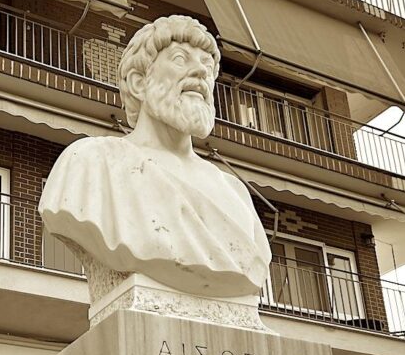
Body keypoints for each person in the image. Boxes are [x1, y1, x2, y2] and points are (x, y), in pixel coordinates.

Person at [39, 15, 271, 301]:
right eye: (179, 59)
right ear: (139, 83)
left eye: (208, 65)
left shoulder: (235, 191)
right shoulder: (91, 163)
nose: (200, 71)